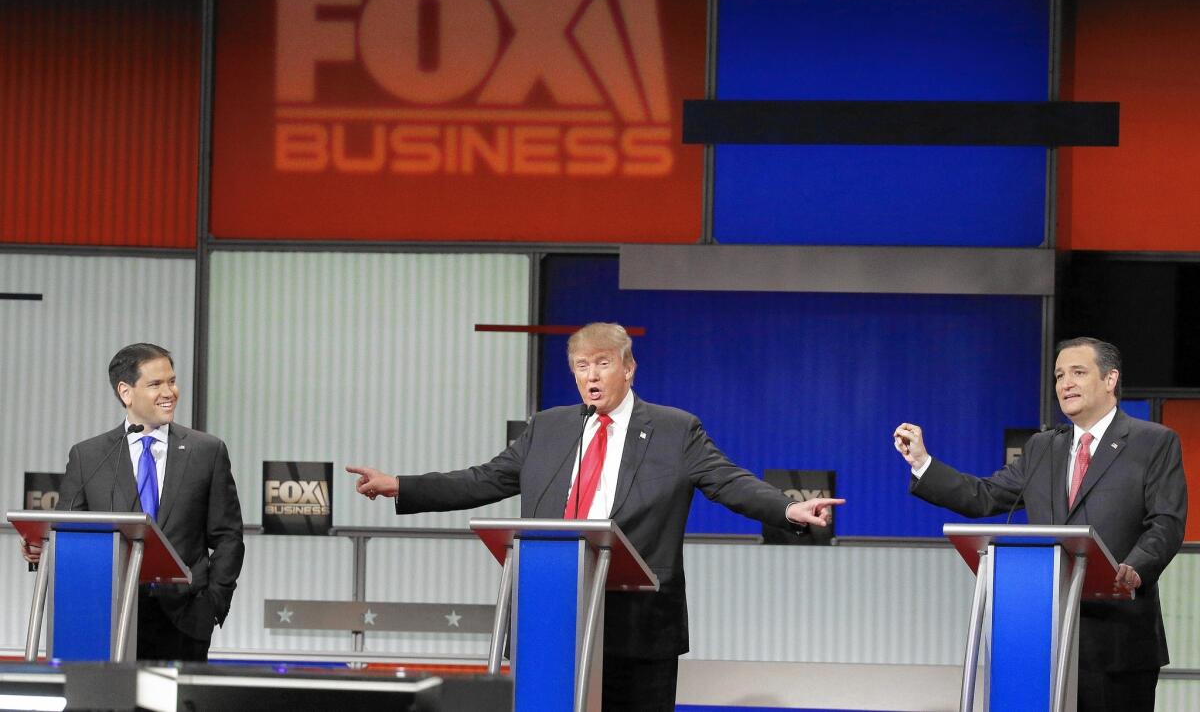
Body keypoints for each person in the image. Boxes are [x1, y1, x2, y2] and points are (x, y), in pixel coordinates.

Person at [348, 322, 844, 711]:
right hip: (554, 610)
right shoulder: (548, 428)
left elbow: (727, 481)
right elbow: (485, 479)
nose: (590, 376)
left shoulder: (675, 430)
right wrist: (402, 485)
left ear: (629, 368)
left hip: (638, 618)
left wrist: (786, 507)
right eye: (581, 366)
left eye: (602, 363)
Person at [893, 337, 1186, 712]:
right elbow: (984, 496)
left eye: (1078, 373)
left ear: (1110, 379)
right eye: (1060, 375)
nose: (1065, 384)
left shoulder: (1153, 442)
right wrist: (922, 462)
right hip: (1041, 637)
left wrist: (1135, 568)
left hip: (1118, 641)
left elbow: (1166, 522)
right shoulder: (1043, 447)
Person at [21, 343, 245, 661]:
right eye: (156, 384)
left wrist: (212, 604)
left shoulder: (206, 452)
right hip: (106, 616)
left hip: (183, 619)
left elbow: (227, 537)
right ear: (126, 392)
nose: (170, 391)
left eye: (171, 380)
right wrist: (40, 550)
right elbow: (68, 531)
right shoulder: (89, 456)